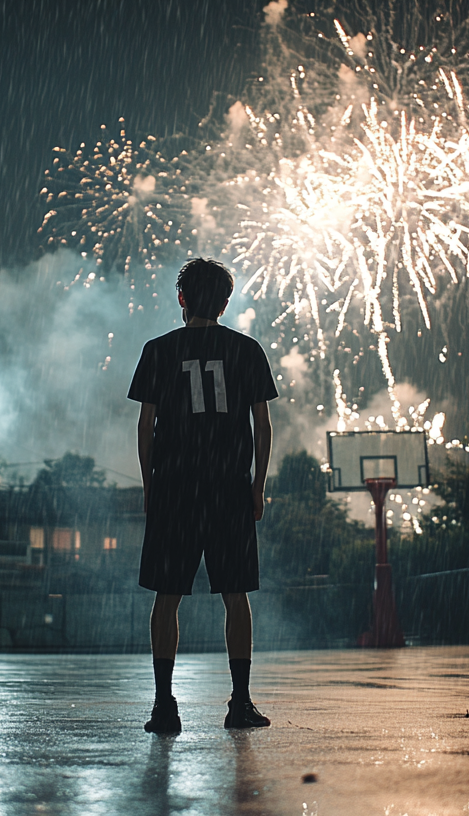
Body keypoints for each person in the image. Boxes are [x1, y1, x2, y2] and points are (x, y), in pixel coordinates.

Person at [127, 258, 278, 735]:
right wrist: (257, 486)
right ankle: (241, 702)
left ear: (182, 298)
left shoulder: (159, 350)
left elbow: (146, 424)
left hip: (175, 486)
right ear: (226, 302)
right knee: (235, 595)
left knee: (166, 598)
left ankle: (163, 705)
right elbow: (262, 424)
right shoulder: (246, 350)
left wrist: (152, 486)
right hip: (228, 486)